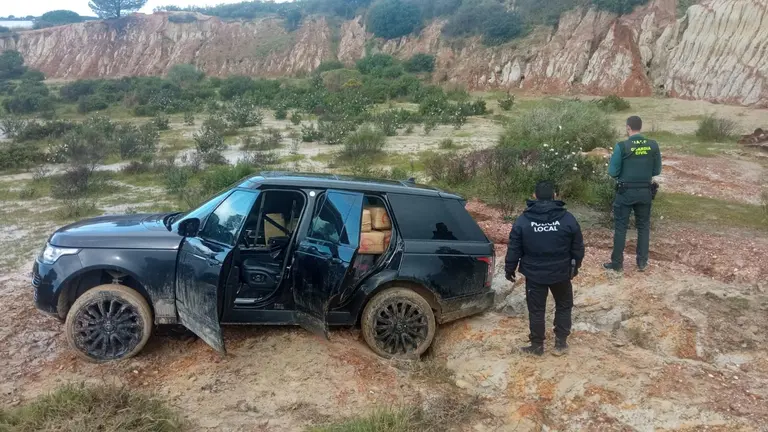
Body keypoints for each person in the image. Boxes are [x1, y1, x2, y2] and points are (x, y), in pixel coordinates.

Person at [505, 181, 585, 356]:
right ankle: (560, 344)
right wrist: (575, 266)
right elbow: (578, 246)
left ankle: (537, 346)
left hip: (535, 274)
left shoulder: (524, 220)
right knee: (564, 306)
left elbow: (514, 247)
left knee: (536, 310)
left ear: (534, 196)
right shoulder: (567, 218)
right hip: (561, 272)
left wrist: (509, 268)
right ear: (554, 195)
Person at [603, 116, 662, 273]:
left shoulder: (622, 146)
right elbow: (656, 170)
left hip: (625, 192)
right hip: (645, 192)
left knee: (621, 227)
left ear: (628, 127)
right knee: (643, 226)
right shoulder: (653, 145)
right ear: (640, 127)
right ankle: (642, 262)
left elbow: (612, 172)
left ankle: (617, 263)